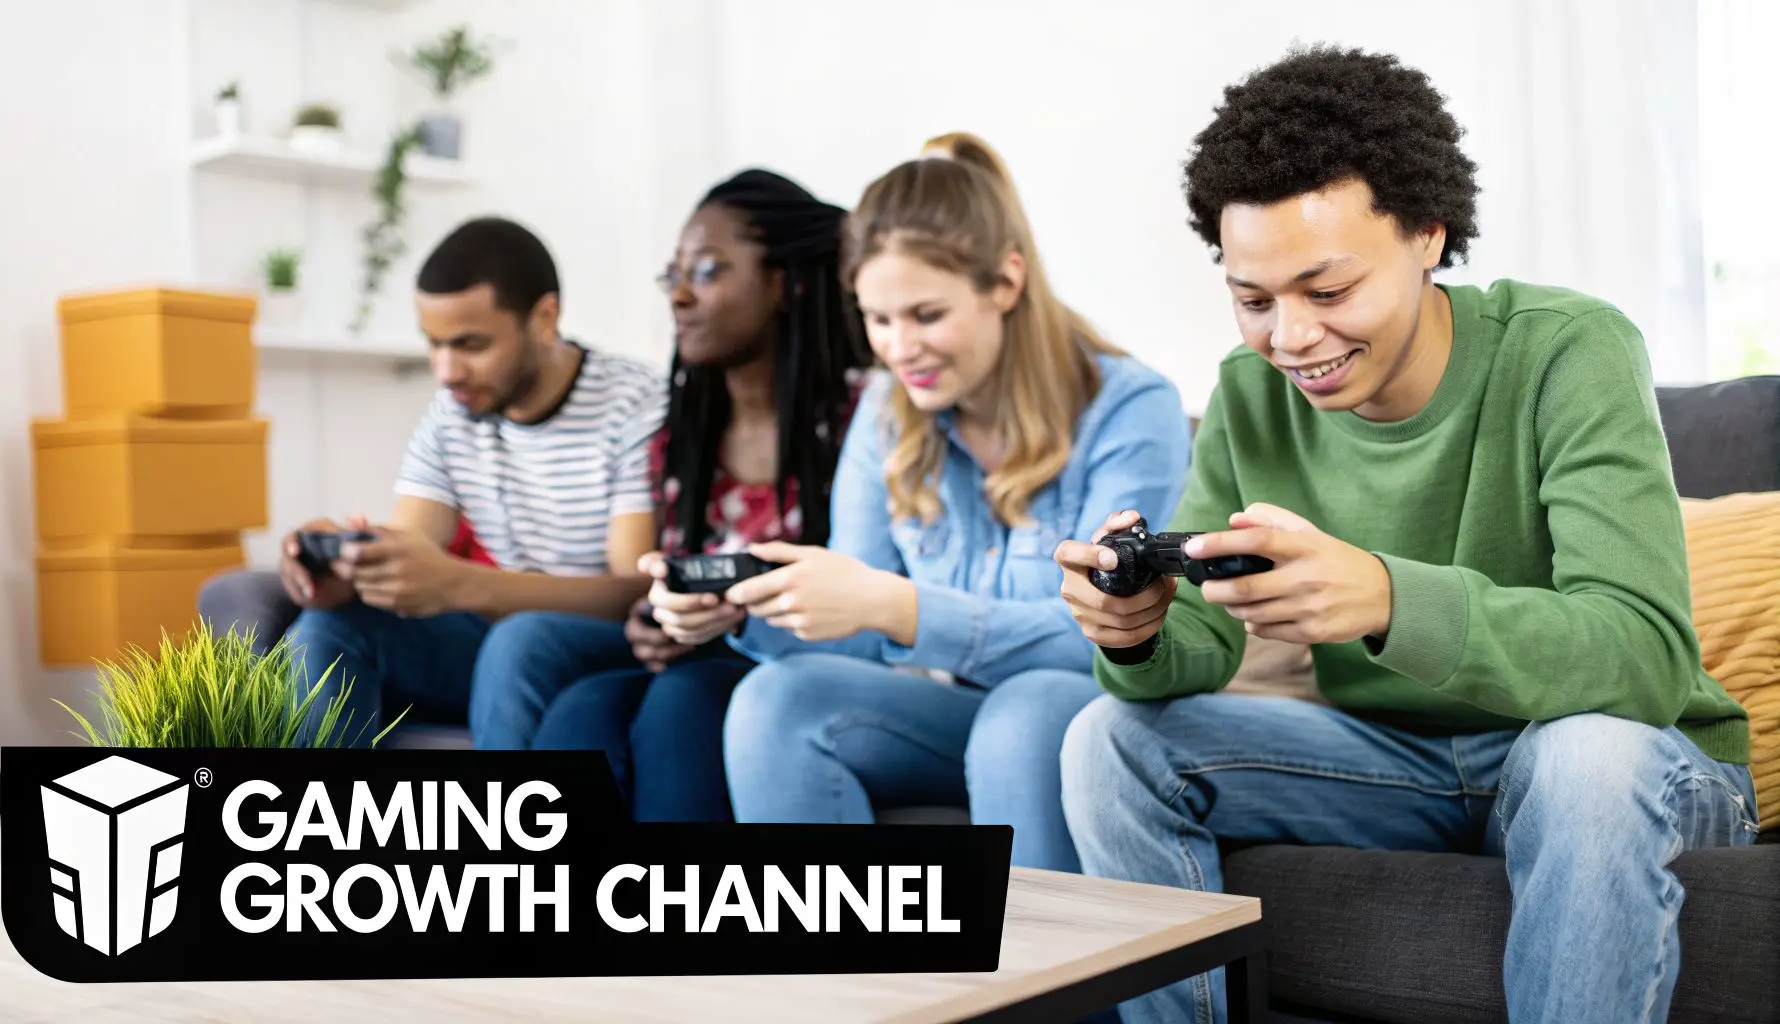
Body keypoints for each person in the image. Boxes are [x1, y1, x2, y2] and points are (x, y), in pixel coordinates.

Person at [1052, 45, 1757, 1024]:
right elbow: (1199, 647)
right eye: (1253, 300)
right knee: (1108, 740)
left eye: (1327, 291)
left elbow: (1641, 657)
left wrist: (1387, 598)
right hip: (1398, 765)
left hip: (1619, 757)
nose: (1288, 337)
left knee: (1586, 759)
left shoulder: (1567, 349)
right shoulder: (1248, 394)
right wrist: (1133, 632)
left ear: (1427, 235)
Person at [678, 136, 1192, 872]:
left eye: (925, 314)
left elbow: (1103, 637)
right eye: (878, 319)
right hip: (959, 716)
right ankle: (837, 948)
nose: (899, 348)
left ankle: (1035, 954)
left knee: (1023, 714)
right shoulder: (888, 410)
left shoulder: (1130, 408)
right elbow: (859, 627)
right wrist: (747, 609)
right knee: (776, 698)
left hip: (1089, 715)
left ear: (1006, 282)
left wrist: (901, 608)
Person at [470, 169, 874, 825]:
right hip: (700, 650)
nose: (680, 296)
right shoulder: (681, 433)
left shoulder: (864, 418)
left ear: (784, 283)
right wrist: (654, 617)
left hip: (806, 660)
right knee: (581, 709)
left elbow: (869, 590)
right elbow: (673, 571)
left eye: (708, 272)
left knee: (683, 700)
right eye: (673, 276)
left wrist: (734, 619)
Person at [273, 216, 669, 744]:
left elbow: (634, 594)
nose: (446, 371)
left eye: (471, 345)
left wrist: (461, 583)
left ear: (544, 318)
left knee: (520, 639)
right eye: (434, 344)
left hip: (604, 643)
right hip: (498, 636)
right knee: (330, 627)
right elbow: (410, 549)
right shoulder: (452, 412)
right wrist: (348, 567)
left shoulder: (634, 402)